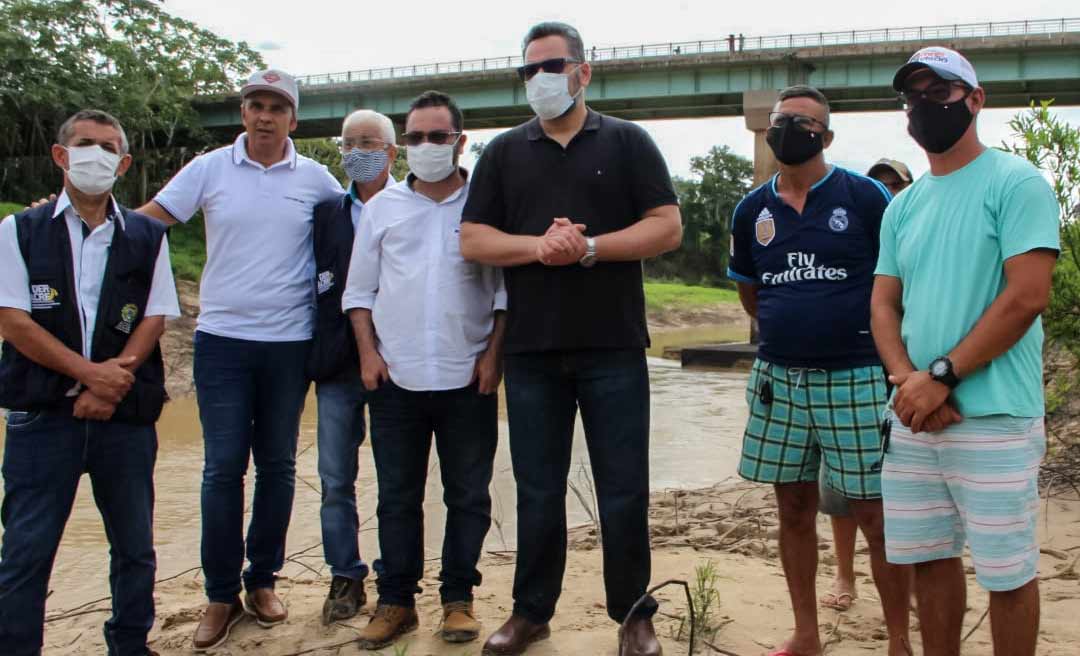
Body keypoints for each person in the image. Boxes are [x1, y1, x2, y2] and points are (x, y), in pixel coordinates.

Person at [461, 21, 682, 656]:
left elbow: (666, 227)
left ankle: (633, 613)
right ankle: (532, 612)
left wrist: (585, 247)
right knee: (536, 489)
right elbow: (473, 238)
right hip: (531, 352)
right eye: (528, 69)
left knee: (622, 487)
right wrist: (541, 246)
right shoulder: (504, 152)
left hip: (612, 345)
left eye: (551, 66)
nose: (539, 80)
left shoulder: (628, 141)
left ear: (583, 72)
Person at [136, 69, 345, 651]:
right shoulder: (208, 168)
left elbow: (354, 225)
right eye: (255, 104)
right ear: (244, 112)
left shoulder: (316, 177)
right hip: (222, 341)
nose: (265, 115)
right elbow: (149, 219)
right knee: (222, 467)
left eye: (277, 107)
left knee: (277, 466)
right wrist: (77, 215)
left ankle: (262, 581)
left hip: (290, 343)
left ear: (293, 119)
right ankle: (220, 593)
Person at [872, 47, 1059, 656]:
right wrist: (907, 381)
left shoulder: (1017, 182)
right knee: (929, 559)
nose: (926, 104)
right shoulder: (902, 206)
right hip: (917, 415)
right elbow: (884, 304)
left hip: (996, 416)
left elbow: (1028, 294)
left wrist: (943, 376)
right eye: (914, 94)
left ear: (975, 100)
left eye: (941, 91)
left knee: (1007, 573)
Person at [728, 85, 912, 656]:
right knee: (793, 508)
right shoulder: (751, 209)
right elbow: (752, 296)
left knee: (874, 514)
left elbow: (896, 284)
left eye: (804, 123)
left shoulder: (866, 197)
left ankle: (899, 641)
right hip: (779, 379)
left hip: (857, 375)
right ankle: (806, 633)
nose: (790, 130)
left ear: (826, 136)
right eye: (782, 120)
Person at [0, 109, 180, 656]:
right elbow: (11, 318)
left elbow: (155, 315)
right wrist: (88, 376)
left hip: (122, 417)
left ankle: (129, 644)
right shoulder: (19, 230)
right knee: (27, 551)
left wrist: (111, 384)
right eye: (84, 144)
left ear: (123, 163)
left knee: (134, 547)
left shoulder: (147, 235)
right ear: (61, 154)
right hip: (41, 417)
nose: (95, 155)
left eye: (107, 147)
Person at [342, 90, 506, 651]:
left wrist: (493, 356)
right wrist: (368, 354)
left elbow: (503, 293)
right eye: (415, 137)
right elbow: (358, 291)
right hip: (395, 380)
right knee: (396, 496)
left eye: (438, 137)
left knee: (468, 495)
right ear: (402, 145)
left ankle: (458, 599)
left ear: (460, 142)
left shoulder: (486, 205)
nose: (427, 146)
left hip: (469, 377)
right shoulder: (382, 208)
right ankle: (395, 603)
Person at [307, 109, 398, 625]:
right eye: (349, 142)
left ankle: (393, 580)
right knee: (335, 477)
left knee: (395, 478)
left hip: (398, 363)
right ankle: (345, 575)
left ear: (391, 151)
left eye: (369, 142)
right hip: (337, 365)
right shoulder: (323, 213)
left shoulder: (410, 205)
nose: (357, 151)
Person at [818, 156, 915, 613]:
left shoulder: (914, 238)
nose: (887, 192)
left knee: (906, 488)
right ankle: (844, 570)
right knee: (840, 488)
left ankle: (909, 580)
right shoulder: (849, 237)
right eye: (879, 186)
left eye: (895, 185)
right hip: (851, 372)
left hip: (908, 379)